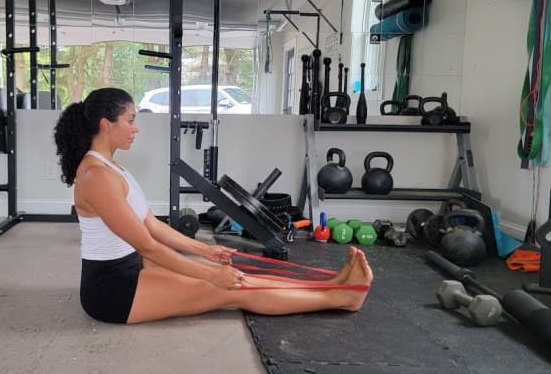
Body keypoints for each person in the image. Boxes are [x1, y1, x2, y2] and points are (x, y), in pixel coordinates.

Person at [54, 87, 373, 324]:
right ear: (106, 124)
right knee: (229, 290)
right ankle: (344, 298)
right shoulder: (96, 176)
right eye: (130, 120)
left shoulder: (112, 168)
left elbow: (151, 225)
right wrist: (209, 274)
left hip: (133, 268)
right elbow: (148, 245)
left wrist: (205, 251)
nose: (136, 127)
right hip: (112, 291)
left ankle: (331, 284)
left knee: (235, 276)